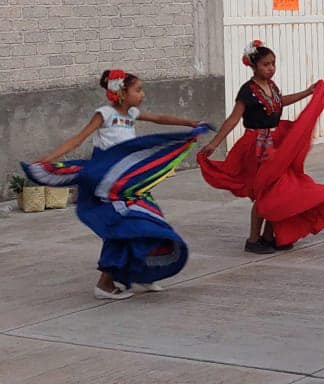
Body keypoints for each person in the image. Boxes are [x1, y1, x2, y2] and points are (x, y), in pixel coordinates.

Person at [25, 70, 206, 299]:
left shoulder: (131, 113)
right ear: (121, 92)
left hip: (129, 185)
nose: (142, 94)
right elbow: (78, 139)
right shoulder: (105, 114)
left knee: (148, 222)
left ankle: (143, 274)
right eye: (138, 90)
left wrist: (190, 123)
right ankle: (105, 284)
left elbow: (159, 118)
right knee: (124, 229)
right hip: (107, 186)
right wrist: (49, 159)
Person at [199, 41, 324, 254]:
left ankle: (269, 236)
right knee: (266, 191)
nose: (271, 68)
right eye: (266, 64)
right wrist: (215, 143)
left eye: (273, 64)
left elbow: (281, 102)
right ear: (254, 66)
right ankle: (253, 239)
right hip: (256, 147)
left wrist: (307, 92)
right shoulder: (247, 91)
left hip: (276, 145)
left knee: (281, 190)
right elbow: (234, 119)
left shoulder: (271, 87)